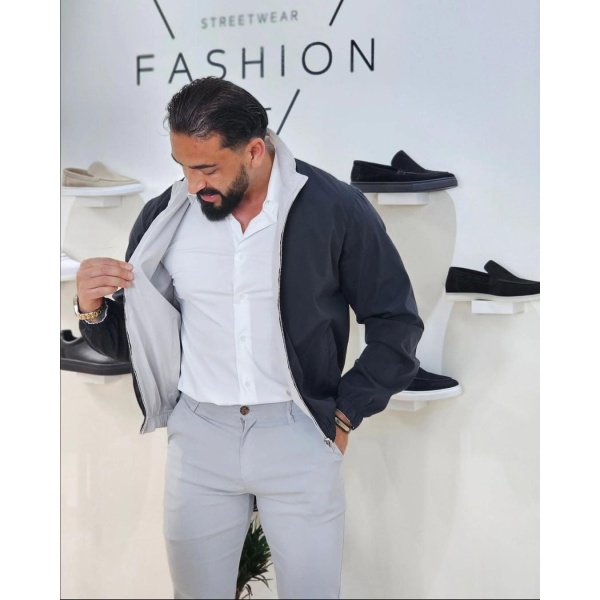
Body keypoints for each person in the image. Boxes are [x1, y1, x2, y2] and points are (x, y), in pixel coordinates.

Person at [75, 77, 424, 599]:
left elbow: (396, 320)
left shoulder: (335, 208)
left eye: (206, 168)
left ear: (255, 151)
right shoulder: (165, 217)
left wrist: (346, 411)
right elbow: (135, 342)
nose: (192, 185)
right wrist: (92, 308)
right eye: (183, 167)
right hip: (199, 438)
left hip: (298, 432)